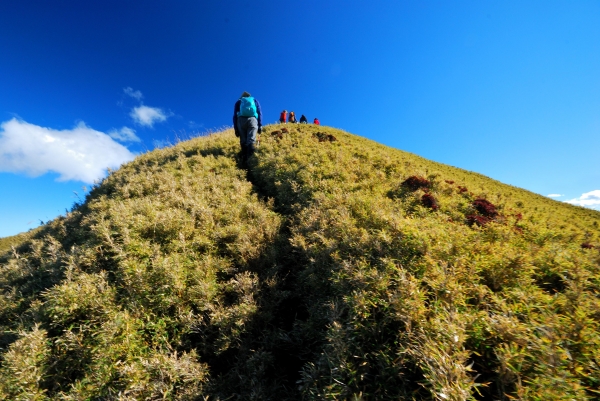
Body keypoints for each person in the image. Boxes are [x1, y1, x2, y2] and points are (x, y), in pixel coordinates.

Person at [233, 91, 262, 166]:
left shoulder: (238, 102)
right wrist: (260, 125)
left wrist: (236, 128)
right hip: (252, 120)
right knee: (251, 140)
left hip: (241, 121)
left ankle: (244, 161)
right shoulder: (255, 100)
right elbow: (259, 112)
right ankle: (251, 162)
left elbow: (235, 116)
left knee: (243, 141)